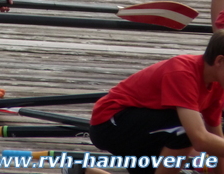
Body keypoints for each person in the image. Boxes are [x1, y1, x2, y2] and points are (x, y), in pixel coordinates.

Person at [79, 30, 224, 174]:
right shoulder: (183, 73)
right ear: (219, 61)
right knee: (184, 129)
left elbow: (216, 140)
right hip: (110, 124)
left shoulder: (217, 85)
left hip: (150, 129)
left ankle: (83, 171)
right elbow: (199, 139)